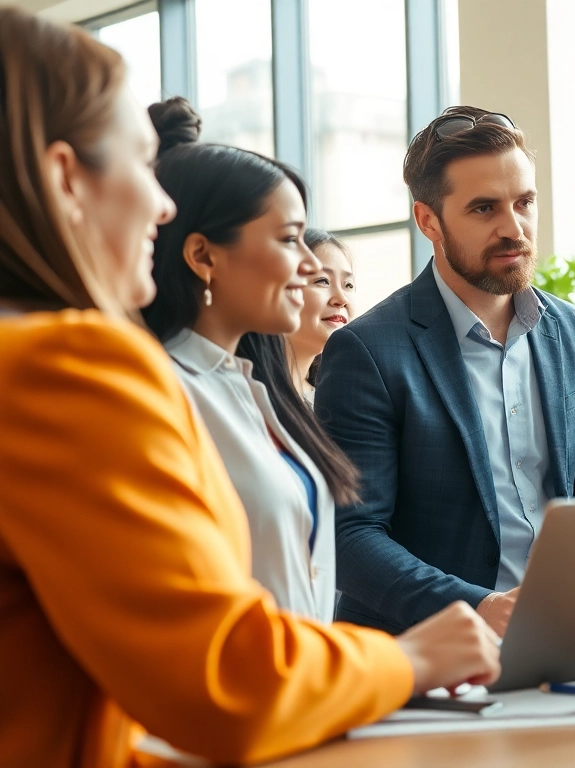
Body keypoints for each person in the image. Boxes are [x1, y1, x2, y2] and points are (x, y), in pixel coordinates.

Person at [0, 10, 498, 767]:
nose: (161, 206)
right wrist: (413, 660)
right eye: (141, 166)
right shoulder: (65, 365)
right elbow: (222, 680)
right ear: (67, 177)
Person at [315, 106, 575, 638]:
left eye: (524, 203)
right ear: (428, 221)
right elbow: (350, 535)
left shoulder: (571, 330)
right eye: (484, 208)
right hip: (426, 652)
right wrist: (480, 607)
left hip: (563, 629)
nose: (513, 228)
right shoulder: (368, 351)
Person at [140, 97, 351, 623]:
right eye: (288, 240)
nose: (309, 266)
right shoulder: (163, 391)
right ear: (203, 257)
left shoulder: (257, 389)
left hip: (309, 692)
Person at [289, 227, 355, 402]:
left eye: (348, 285)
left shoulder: (339, 400)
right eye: (322, 281)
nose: (342, 299)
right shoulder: (246, 396)